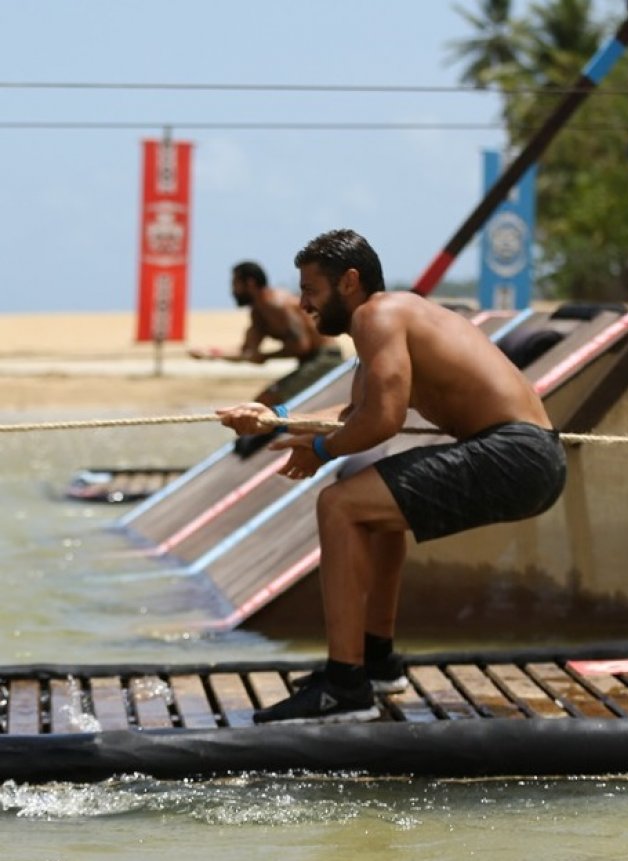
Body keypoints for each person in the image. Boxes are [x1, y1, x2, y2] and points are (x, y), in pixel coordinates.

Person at [217, 230, 567, 725]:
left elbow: (382, 420)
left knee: (340, 505)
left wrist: (319, 451)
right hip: (527, 456)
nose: (302, 303)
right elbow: (356, 410)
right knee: (376, 513)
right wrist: (274, 418)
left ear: (350, 282)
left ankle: (344, 686)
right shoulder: (389, 317)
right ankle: (377, 663)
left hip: (516, 455)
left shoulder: (376, 315)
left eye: (311, 290)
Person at [189, 261, 343, 408]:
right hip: (308, 362)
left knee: (267, 401)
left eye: (235, 284)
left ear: (250, 283)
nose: (233, 291)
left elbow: (301, 345)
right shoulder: (258, 313)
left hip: (326, 359)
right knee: (269, 402)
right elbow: (247, 352)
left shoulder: (278, 305)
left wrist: (267, 356)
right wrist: (211, 354)